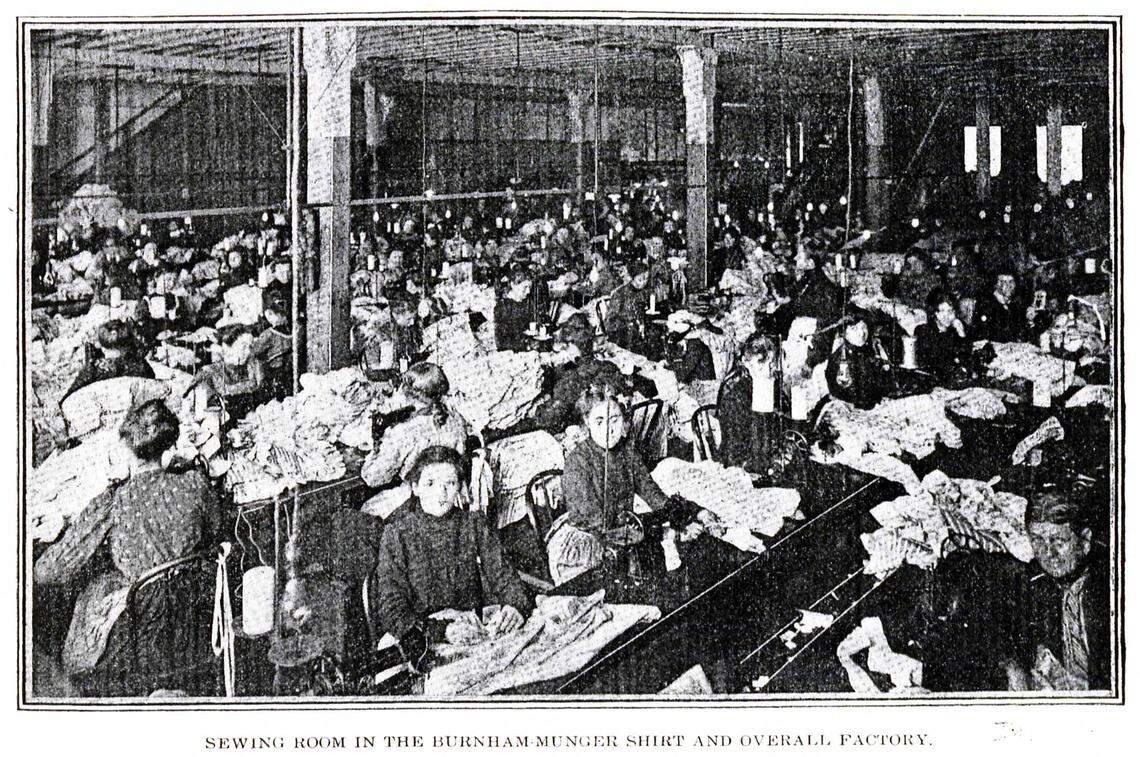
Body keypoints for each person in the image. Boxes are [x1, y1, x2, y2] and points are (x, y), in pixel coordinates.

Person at [34, 400, 220, 686]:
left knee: (83, 597)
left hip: (143, 622)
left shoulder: (115, 501)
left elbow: (49, 571)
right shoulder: (195, 483)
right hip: (195, 615)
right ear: (169, 447)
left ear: (127, 449)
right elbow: (214, 528)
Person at [371, 446, 532, 643]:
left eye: (450, 482)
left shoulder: (473, 523)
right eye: (430, 483)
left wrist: (515, 606)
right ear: (416, 487)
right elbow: (392, 608)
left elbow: (504, 576)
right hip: (422, 632)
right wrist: (442, 631)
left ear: (459, 487)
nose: (441, 492)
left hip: (470, 626)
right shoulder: (397, 533)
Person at [548, 389, 672, 584]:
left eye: (614, 419)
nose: (608, 429)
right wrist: (643, 527)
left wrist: (679, 514)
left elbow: (650, 490)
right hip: (584, 543)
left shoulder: (626, 451)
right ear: (586, 422)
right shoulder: (577, 462)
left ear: (623, 421)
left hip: (620, 534)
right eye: (599, 421)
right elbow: (596, 520)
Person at [1003, 486, 1109, 691]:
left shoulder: (1109, 588)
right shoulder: (1034, 580)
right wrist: (1012, 666)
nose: (1048, 553)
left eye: (1058, 540)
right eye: (1037, 540)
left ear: (1085, 541)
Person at [361, 362, 470, 491]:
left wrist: (376, 450)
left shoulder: (404, 431)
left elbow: (372, 478)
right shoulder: (457, 420)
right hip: (451, 494)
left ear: (407, 393)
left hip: (416, 499)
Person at [717, 334, 781, 474]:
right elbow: (736, 450)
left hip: (766, 461)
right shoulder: (736, 397)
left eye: (772, 363)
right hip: (740, 468)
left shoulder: (770, 388)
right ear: (747, 363)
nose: (771, 369)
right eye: (762, 363)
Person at [185, 324, 266, 425]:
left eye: (250, 347)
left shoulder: (251, 370)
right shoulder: (209, 373)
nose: (249, 351)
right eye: (244, 346)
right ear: (227, 347)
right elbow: (198, 414)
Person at [64, 319, 155, 400]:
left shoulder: (95, 370)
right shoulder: (140, 365)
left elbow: (68, 397)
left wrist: (89, 364)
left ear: (103, 347)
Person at [825, 311, 894, 410]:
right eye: (854, 329)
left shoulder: (874, 351)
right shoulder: (839, 357)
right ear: (845, 333)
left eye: (863, 327)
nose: (861, 333)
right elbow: (837, 389)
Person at [915, 291, 970, 378]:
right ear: (934, 313)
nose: (947, 316)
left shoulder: (957, 330)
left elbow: (967, 360)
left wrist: (962, 335)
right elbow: (933, 361)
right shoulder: (923, 330)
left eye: (950, 311)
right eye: (942, 311)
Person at [252, 296, 293, 400]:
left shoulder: (269, 334)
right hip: (290, 368)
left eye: (270, 314)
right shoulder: (293, 331)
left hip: (275, 370)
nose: (268, 317)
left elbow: (256, 350)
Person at [973, 272, 1027, 343]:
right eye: (1003, 282)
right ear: (996, 285)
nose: (1008, 286)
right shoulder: (986, 303)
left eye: (1011, 282)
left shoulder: (1016, 304)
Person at [494, 267, 536, 352]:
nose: (528, 291)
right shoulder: (503, 307)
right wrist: (526, 343)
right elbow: (500, 342)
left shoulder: (528, 302)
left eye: (529, 287)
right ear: (513, 285)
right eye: (525, 287)